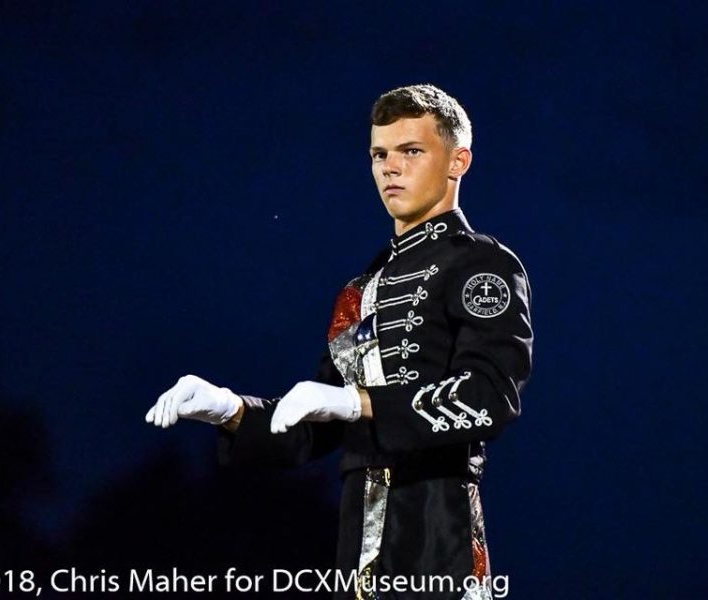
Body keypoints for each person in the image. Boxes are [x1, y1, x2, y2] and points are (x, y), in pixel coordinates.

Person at [146, 84, 532, 599]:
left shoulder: (483, 264)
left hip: (439, 529)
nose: (389, 168)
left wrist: (355, 401)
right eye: (379, 154)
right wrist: (227, 409)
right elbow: (309, 433)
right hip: (355, 538)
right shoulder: (358, 291)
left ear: (457, 161)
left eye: (411, 151)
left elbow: (489, 396)